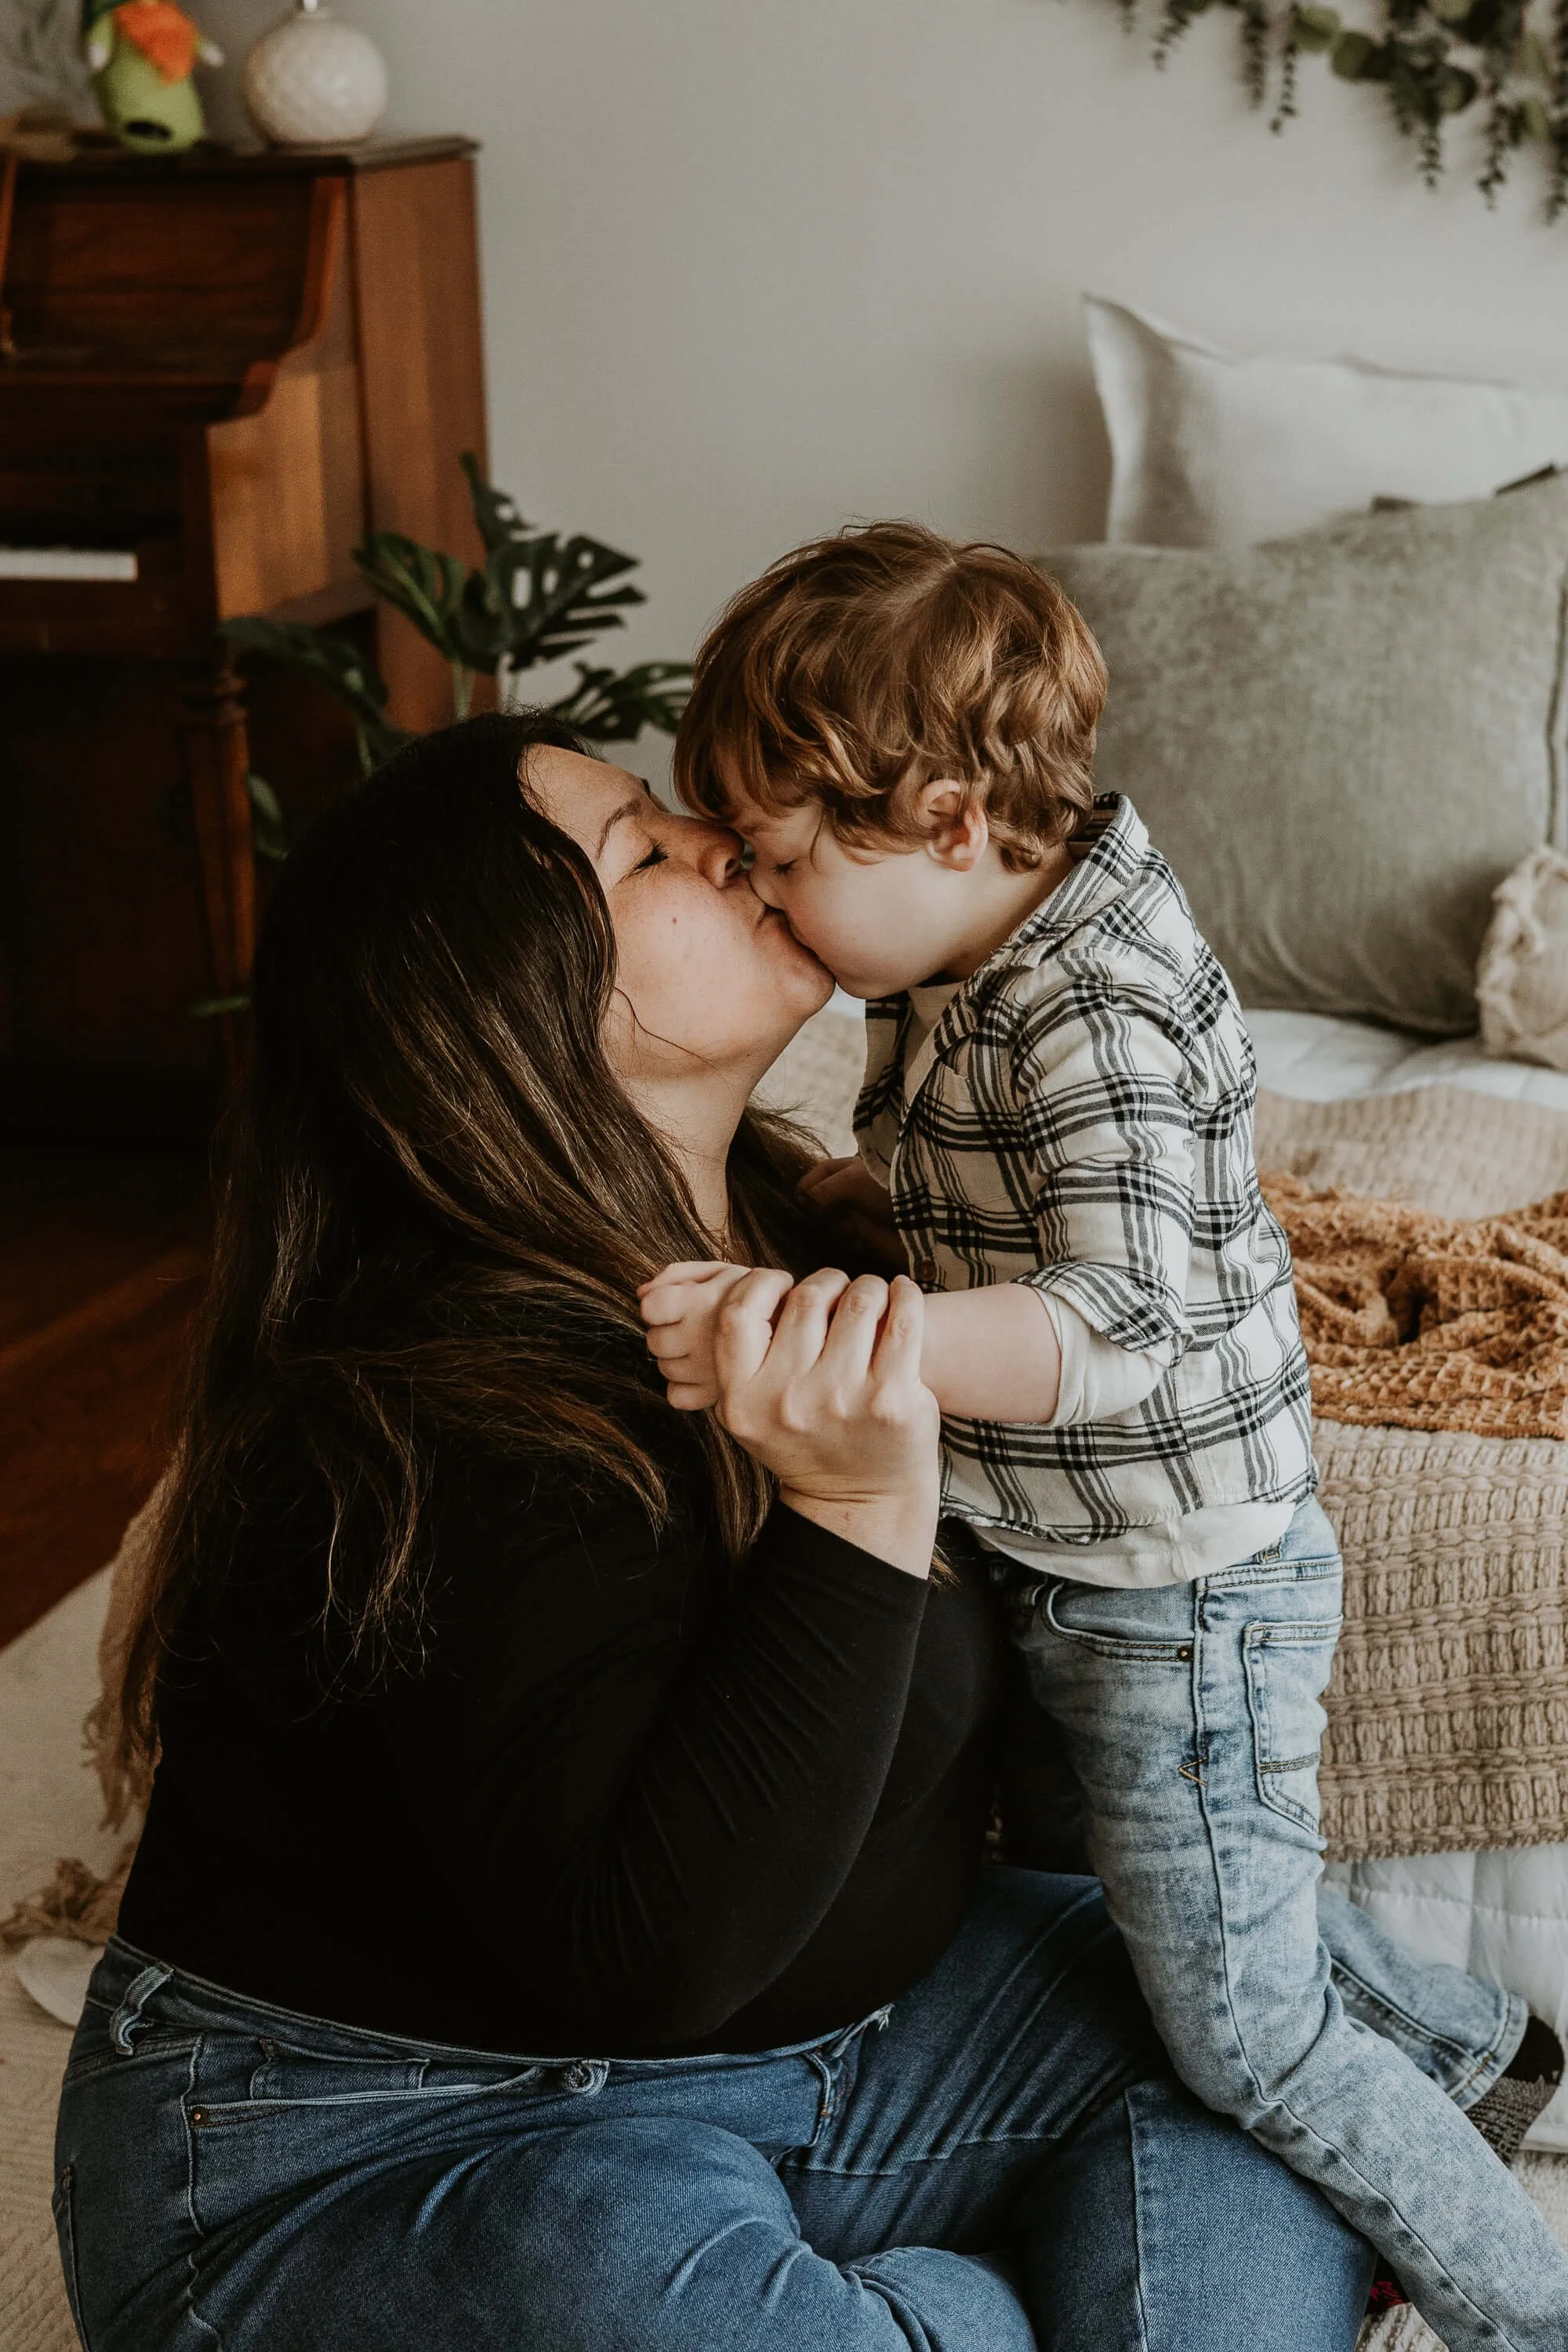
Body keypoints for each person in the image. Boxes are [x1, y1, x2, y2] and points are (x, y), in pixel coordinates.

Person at [49, 711, 1414, 2352]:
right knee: (611, 2253)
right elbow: (648, 1961)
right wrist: (849, 1511)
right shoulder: (422, 1410)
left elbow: (1017, 1712)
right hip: (365, 2141)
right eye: (642, 848)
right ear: (517, 1006)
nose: (716, 837)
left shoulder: (814, 1243)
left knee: (1256, 2035)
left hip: (827, 2054)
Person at [645, 523, 1568, 2351]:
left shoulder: (1104, 1005)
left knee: (1251, 2043)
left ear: (944, 820)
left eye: (777, 862)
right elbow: (963, 1182)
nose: (760, 900)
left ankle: (1523, 2301)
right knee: (1128, 1930)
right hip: (1062, 1557)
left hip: (1181, 1599)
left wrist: (867, 1339)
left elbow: (1124, 1322)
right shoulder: (953, 944)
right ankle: (1482, 2047)